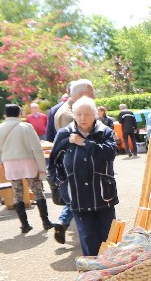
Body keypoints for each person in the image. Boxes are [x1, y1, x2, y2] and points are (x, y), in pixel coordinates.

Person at [48, 97, 117, 256]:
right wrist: (62, 185)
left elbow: (110, 153)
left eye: (87, 114)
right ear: (73, 115)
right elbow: (53, 164)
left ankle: (111, 270)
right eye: (78, 114)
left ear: (95, 115)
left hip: (103, 195)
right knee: (88, 239)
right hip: (77, 197)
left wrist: (85, 143)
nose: (82, 118)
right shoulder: (64, 134)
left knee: (109, 238)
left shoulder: (104, 132)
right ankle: (92, 271)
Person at [49, 81, 95, 243]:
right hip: (75, 166)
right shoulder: (68, 114)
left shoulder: (63, 110)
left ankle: (63, 221)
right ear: (82, 95)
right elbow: (71, 143)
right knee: (77, 197)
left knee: (75, 197)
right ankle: (65, 222)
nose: (93, 98)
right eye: (91, 94)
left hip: (73, 165)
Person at [0, 104, 51, 233]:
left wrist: (1, 162)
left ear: (5, 114)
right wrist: (42, 166)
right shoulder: (26, 127)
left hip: (10, 163)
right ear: (19, 113)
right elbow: (37, 148)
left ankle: (24, 225)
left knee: (17, 193)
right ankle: (46, 222)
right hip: (28, 161)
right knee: (37, 191)